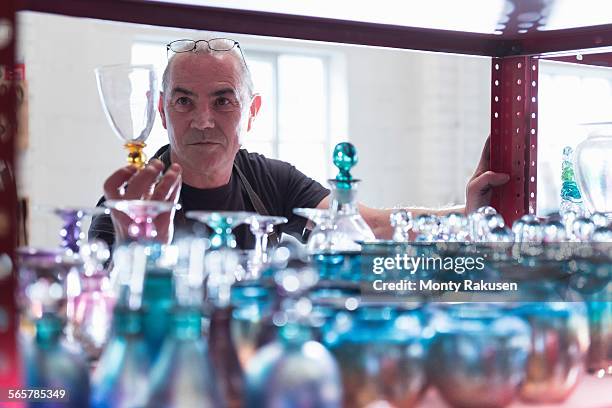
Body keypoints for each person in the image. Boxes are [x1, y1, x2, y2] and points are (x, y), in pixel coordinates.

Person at [89, 37, 509, 249]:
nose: (203, 120)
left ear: (251, 111)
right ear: (160, 111)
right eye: (184, 101)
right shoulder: (129, 206)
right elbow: (99, 322)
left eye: (223, 101)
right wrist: (141, 253)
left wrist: (466, 212)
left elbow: (371, 226)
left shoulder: (269, 180)